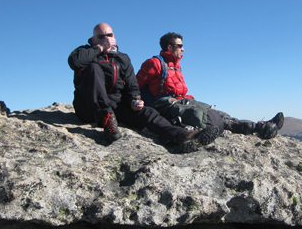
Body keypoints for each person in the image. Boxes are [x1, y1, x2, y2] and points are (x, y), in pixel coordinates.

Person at [68, 23, 220, 152]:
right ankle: (106, 118)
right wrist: (99, 48)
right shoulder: (84, 52)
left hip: (116, 104)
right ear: (94, 39)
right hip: (88, 107)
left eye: (109, 35)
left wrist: (135, 99)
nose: (106, 39)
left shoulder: (122, 57)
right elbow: (74, 62)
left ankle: (181, 136)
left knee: (148, 112)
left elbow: (132, 83)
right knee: (94, 68)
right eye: (101, 37)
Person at [136, 32, 284, 139]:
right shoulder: (154, 63)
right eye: (180, 46)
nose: (183, 49)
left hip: (181, 100)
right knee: (208, 117)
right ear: (169, 47)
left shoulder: (176, 65)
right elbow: (135, 85)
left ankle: (261, 127)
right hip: (164, 104)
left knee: (218, 113)